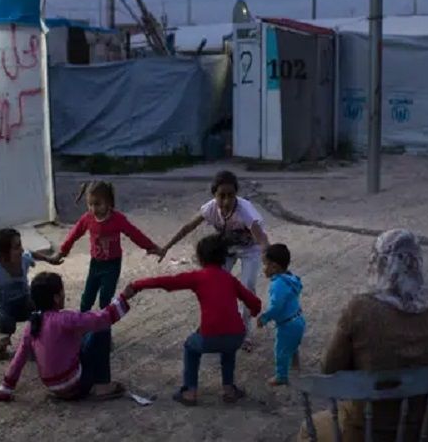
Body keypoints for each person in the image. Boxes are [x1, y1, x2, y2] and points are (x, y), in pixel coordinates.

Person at [300, 230, 428, 442]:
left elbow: (329, 368)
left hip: (366, 433)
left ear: (377, 263)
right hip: (420, 433)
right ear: (417, 262)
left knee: (309, 428)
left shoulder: (359, 309)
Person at [131, 234, 262, 406]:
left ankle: (190, 391)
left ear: (200, 258)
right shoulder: (230, 279)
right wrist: (254, 313)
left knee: (191, 347)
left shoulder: (198, 277)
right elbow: (254, 302)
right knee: (228, 350)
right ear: (224, 257)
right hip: (237, 335)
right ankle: (229, 389)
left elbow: (167, 282)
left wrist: (137, 285)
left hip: (210, 336)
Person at [158, 170, 269, 350]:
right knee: (215, 285)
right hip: (227, 249)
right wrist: (166, 247)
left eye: (231, 195)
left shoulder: (245, 211)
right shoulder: (210, 208)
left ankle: (244, 333)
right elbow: (187, 227)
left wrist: (270, 260)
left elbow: (261, 238)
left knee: (248, 287)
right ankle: (216, 325)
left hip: (250, 249)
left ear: (236, 194)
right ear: (214, 195)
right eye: (221, 196)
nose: (226, 201)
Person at [0, 272, 133, 402]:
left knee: (85, 334)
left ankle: (7, 389)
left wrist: (5, 389)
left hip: (53, 386)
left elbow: (19, 358)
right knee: (101, 329)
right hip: (76, 383)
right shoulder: (64, 318)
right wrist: (123, 298)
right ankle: (103, 386)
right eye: (62, 291)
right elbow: (101, 319)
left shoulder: (32, 324)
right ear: (56, 298)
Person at [52, 181, 163, 312]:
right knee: (87, 297)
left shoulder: (118, 219)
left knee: (105, 298)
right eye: (90, 204)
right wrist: (62, 252)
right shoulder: (88, 218)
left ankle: (104, 322)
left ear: (109, 202)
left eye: (98, 204)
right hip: (95, 264)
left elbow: (135, 234)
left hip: (112, 265)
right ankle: (82, 320)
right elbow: (73, 235)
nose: (94, 209)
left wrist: (151, 247)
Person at [0, 228, 61, 361]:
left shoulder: (23, 258)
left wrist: (50, 259)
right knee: (5, 321)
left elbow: (30, 253)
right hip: (2, 306)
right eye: (16, 247)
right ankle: (2, 348)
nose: (21, 250)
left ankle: (39, 343)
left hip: (24, 300)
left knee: (44, 305)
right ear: (3, 254)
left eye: (20, 245)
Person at [257, 243, 305, 386]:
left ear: (274, 267)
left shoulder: (277, 284)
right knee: (292, 345)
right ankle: (295, 365)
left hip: (287, 324)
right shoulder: (290, 279)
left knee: (281, 351)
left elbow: (276, 306)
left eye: (265, 265)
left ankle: (281, 376)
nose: (263, 269)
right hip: (298, 320)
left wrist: (264, 318)